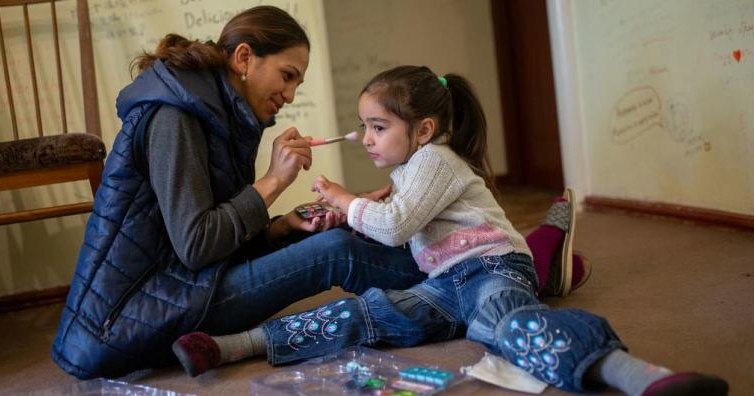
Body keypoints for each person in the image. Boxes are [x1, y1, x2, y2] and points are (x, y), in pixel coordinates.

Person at [51, 5, 585, 380]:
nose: (289, 95)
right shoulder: (176, 117)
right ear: (243, 58)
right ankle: (521, 263)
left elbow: (207, 239)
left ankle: (506, 262)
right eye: (286, 76)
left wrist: (284, 226)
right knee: (342, 249)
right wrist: (275, 181)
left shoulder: (209, 110)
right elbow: (195, 246)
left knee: (347, 235)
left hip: (184, 285)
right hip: (129, 320)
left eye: (298, 82)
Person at [172, 66, 728, 396]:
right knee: (366, 313)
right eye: (363, 126)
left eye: (378, 127)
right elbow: (395, 221)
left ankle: (642, 377)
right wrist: (353, 211)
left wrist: (346, 199)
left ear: (425, 129)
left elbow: (394, 229)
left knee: (507, 325)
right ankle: (232, 346)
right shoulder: (414, 169)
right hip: (442, 284)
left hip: (489, 268)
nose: (365, 139)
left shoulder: (437, 160)